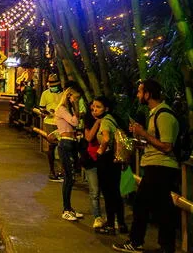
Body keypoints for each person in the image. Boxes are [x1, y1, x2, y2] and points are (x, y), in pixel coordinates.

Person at [113, 79, 179, 253]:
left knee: (142, 204)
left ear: (148, 94)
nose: (138, 95)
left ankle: (136, 242)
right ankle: (165, 245)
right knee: (162, 207)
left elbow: (167, 146)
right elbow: (155, 143)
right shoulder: (154, 114)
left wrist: (143, 133)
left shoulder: (163, 114)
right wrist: (139, 139)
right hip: (155, 165)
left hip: (161, 166)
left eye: (140, 91)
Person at [87, 96, 127, 235]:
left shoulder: (105, 121)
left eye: (98, 107)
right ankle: (121, 223)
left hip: (106, 160)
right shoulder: (112, 119)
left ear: (107, 109)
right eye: (93, 107)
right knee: (115, 193)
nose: (95, 110)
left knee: (108, 193)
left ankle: (110, 224)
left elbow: (106, 138)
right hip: (114, 161)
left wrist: (100, 151)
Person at [53, 86, 84, 222]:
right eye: (75, 98)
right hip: (65, 143)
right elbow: (75, 122)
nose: (76, 101)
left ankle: (69, 208)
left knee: (71, 177)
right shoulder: (62, 109)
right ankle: (66, 209)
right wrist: (76, 107)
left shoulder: (67, 110)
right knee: (68, 177)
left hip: (71, 142)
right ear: (69, 96)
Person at [39, 74, 64, 182]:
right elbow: (42, 108)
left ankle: (63, 170)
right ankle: (52, 170)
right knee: (52, 146)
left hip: (63, 122)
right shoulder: (45, 94)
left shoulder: (64, 93)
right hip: (49, 121)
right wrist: (46, 113)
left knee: (63, 146)